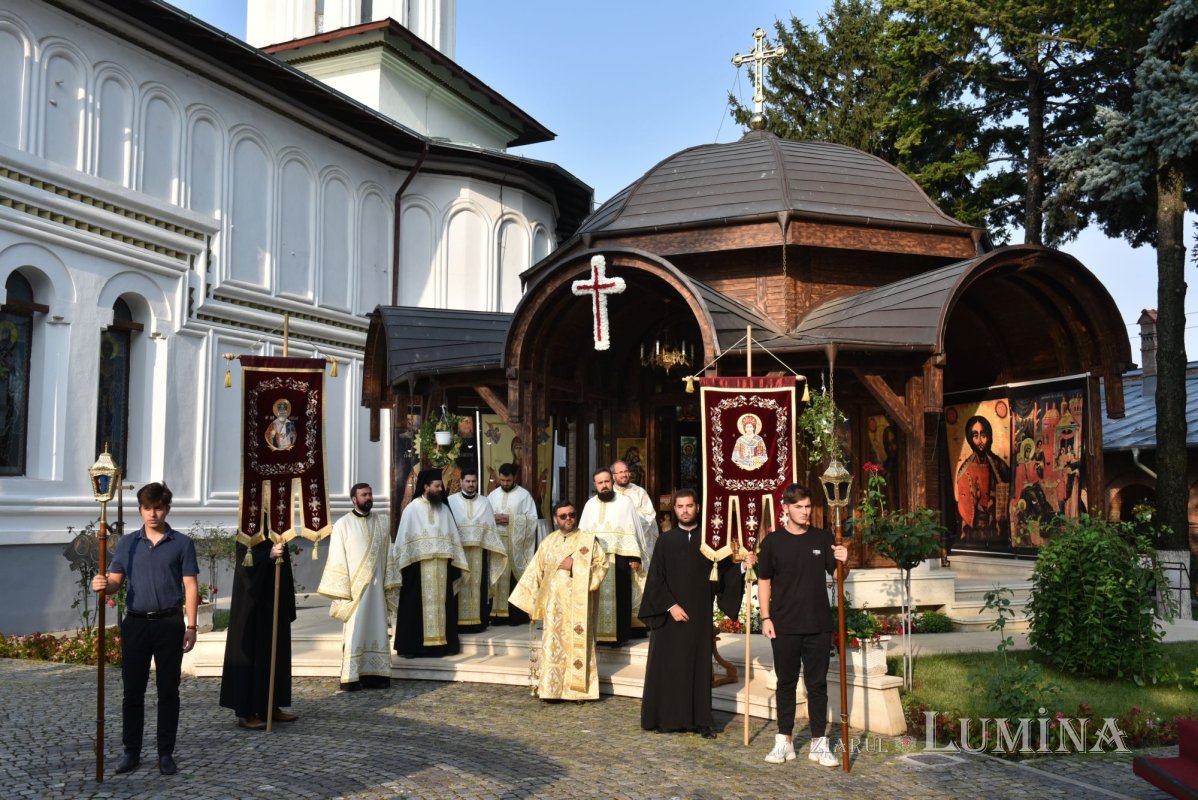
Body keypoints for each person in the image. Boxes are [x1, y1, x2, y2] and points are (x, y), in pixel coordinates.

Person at [91, 482, 199, 777]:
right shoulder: (128, 544)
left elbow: (190, 586)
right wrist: (102, 585)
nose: (153, 513)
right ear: (140, 510)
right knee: (133, 691)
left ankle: (166, 753)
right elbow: (115, 581)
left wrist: (192, 625)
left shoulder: (181, 543)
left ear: (166, 509)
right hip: (136, 623)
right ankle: (132, 752)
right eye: (148, 508)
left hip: (169, 623)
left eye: (158, 508)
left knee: (168, 691)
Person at [639, 489, 746, 737]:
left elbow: (725, 573)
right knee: (670, 667)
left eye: (689, 506)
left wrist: (742, 567)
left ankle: (701, 722)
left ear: (697, 507)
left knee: (698, 668)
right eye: (680, 506)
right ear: (674, 510)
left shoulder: (711, 542)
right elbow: (656, 578)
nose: (685, 510)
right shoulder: (665, 541)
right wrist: (670, 606)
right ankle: (667, 719)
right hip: (670, 617)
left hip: (699, 615)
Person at [757, 484, 848, 767]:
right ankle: (784, 741)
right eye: (798, 506)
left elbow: (839, 574)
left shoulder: (822, 537)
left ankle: (819, 744)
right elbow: (764, 581)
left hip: (818, 623)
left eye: (808, 506)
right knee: (786, 683)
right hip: (783, 624)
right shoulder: (773, 542)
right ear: (785, 507)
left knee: (817, 684)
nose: (804, 511)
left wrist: (845, 561)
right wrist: (765, 617)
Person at [509, 500, 608, 700]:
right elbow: (534, 572)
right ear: (556, 518)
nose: (568, 519)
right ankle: (551, 690)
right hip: (553, 607)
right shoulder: (548, 542)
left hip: (577, 605)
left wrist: (575, 565)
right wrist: (532, 603)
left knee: (576, 646)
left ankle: (578, 691)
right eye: (563, 516)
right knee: (553, 647)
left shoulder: (588, 541)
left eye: (571, 514)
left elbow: (602, 567)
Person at [318, 483, 400, 691]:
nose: (369, 497)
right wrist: (342, 590)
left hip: (377, 590)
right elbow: (337, 558)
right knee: (355, 631)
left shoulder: (382, 523)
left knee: (378, 630)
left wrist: (389, 582)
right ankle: (352, 676)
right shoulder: (343, 524)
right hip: (355, 592)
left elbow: (389, 555)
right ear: (354, 499)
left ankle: (378, 675)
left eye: (370, 494)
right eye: (364, 495)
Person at [218, 527, 297, 730]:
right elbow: (246, 566)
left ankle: (270, 705)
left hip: (273, 601)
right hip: (251, 604)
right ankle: (245, 711)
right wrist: (269, 556)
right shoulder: (248, 526)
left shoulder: (278, 527)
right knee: (252, 655)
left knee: (274, 652)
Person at [393, 468, 469, 657]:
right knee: (415, 607)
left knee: (443, 605)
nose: (440, 489)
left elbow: (452, 537)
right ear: (425, 487)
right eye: (436, 486)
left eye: (440, 486)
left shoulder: (444, 509)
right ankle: (413, 647)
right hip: (418, 568)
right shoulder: (412, 509)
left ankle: (442, 645)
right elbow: (403, 540)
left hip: (442, 567)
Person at [578, 467, 644, 646]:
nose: (604, 486)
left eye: (607, 481)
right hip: (596, 559)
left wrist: (635, 556)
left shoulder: (625, 502)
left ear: (612, 481)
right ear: (595, 485)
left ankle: (619, 637)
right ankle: (598, 636)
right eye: (600, 483)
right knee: (597, 597)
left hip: (620, 556)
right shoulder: (589, 505)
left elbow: (635, 528)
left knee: (620, 597)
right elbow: (582, 532)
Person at [449, 469, 507, 633]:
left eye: (473, 481)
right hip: (458, 553)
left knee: (477, 585)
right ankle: (457, 623)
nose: (471, 484)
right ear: (461, 482)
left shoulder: (484, 502)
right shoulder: (451, 501)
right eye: (467, 481)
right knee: (459, 584)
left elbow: (490, 528)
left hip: (479, 553)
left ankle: (478, 622)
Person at [486, 463, 538, 626]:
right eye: (502, 480)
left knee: (513, 579)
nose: (505, 483)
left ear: (514, 478)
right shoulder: (492, 495)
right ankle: (496, 615)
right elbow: (485, 517)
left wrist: (511, 519)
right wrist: (493, 518)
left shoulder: (524, 496)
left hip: (515, 545)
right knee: (497, 575)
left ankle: (515, 616)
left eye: (508, 480)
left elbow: (532, 520)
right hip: (497, 543)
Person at [612, 459, 658, 639]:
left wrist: (629, 519)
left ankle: (640, 624)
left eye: (626, 471)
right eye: (620, 472)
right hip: (617, 548)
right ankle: (621, 624)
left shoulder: (639, 492)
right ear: (613, 475)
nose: (624, 474)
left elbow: (650, 517)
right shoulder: (609, 494)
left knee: (640, 584)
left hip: (639, 547)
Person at [955, 414, 1011, 544]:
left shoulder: (998, 465)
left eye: (983, 435)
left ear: (989, 437)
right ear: (970, 439)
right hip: (974, 528)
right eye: (975, 436)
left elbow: (1008, 486)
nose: (980, 440)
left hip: (994, 524)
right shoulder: (965, 469)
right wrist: (973, 500)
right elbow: (963, 500)